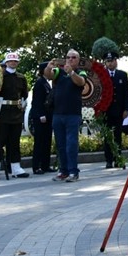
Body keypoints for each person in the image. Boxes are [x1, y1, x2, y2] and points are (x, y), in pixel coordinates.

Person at [43, 51, 88, 182]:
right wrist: (48, 67)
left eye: (73, 58)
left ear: (78, 60)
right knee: (60, 144)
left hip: (73, 114)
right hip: (58, 113)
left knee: (71, 144)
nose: (70, 60)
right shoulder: (59, 71)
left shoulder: (80, 72)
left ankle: (73, 171)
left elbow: (81, 82)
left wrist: (71, 73)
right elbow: (48, 75)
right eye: (68, 57)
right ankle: (63, 171)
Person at [0, 52, 29, 180]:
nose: (13, 63)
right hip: (2, 112)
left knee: (14, 142)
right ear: (6, 63)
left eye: (15, 61)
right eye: (11, 61)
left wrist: (23, 104)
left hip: (15, 113)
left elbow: (24, 94)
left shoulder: (21, 78)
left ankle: (16, 167)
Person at [101, 53, 128, 169]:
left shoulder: (122, 75)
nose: (110, 63)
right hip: (106, 112)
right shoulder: (102, 75)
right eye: (108, 61)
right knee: (107, 137)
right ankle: (108, 160)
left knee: (117, 135)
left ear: (116, 61)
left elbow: (126, 93)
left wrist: (126, 109)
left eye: (112, 61)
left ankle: (118, 159)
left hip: (118, 111)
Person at [28, 65, 53, 174]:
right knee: (39, 142)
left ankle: (45, 165)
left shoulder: (47, 82)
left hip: (48, 116)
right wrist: (41, 115)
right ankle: (37, 166)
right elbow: (37, 101)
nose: (51, 71)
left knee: (47, 141)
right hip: (40, 117)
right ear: (43, 71)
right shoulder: (40, 83)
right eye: (49, 69)